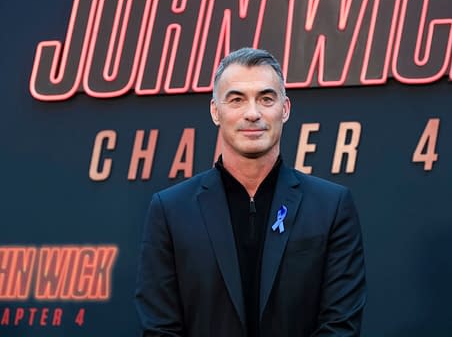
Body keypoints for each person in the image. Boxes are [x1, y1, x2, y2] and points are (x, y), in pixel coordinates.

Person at [135, 47, 366, 336]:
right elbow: (160, 329)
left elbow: (339, 326)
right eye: (236, 100)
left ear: (285, 108)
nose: (253, 113)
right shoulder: (170, 211)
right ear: (215, 111)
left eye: (266, 99)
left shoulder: (331, 207)